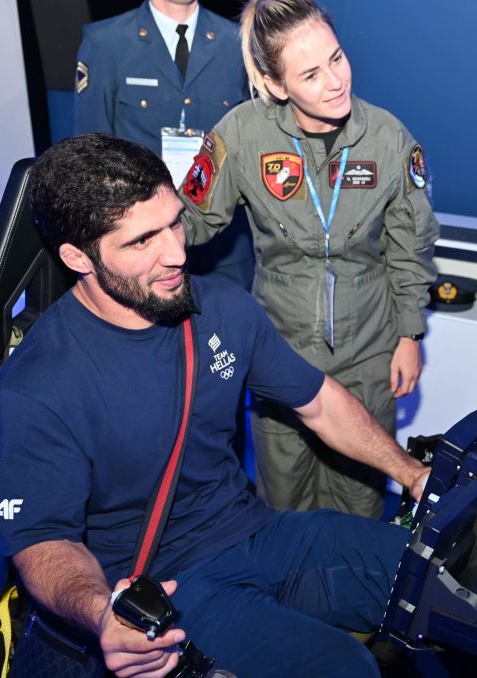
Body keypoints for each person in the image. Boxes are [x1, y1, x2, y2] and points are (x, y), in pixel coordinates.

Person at [0, 133, 429, 678]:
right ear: (78, 257)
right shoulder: (40, 384)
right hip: (167, 584)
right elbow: (42, 542)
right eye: (141, 241)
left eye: (174, 223)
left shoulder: (221, 307)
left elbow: (318, 401)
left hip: (255, 531)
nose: (177, 253)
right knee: (346, 669)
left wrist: (412, 474)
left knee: (438, 579)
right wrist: (105, 615)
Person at [179, 0, 440, 519]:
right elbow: (193, 219)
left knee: (360, 506)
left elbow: (411, 244)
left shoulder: (388, 138)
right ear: (276, 85)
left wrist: (410, 334)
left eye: (337, 58)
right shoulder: (241, 134)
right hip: (281, 351)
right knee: (284, 505)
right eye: (311, 74)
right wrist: (137, 231)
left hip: (369, 348)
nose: (336, 81)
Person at [75, 0, 255, 291]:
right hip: (143, 249)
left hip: (224, 249)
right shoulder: (107, 42)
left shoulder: (237, 41)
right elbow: (91, 156)